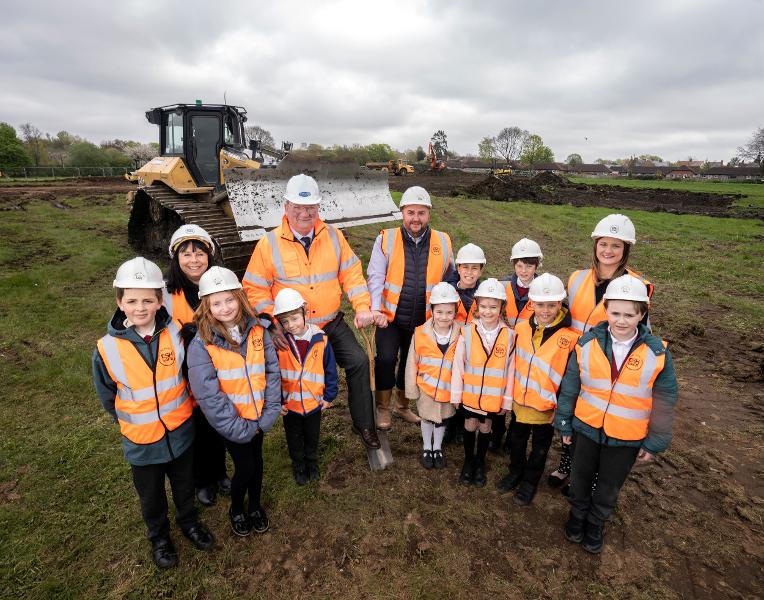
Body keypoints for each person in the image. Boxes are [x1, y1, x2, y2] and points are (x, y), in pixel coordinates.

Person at [242, 174, 381, 449]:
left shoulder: (333, 235)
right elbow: (254, 289)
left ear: (318, 208)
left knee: (359, 362)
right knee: (288, 373)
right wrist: (272, 322)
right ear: (286, 207)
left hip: (329, 322)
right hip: (291, 328)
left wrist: (362, 307)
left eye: (311, 208)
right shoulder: (268, 244)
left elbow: (352, 273)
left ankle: (364, 424)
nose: (305, 214)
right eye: (298, 207)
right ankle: (295, 424)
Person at [93, 257, 214, 569]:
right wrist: (130, 420)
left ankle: (188, 522)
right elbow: (108, 395)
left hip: (181, 431)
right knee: (151, 496)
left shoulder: (175, 332)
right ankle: (159, 537)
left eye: (148, 300)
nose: (140, 307)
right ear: (120, 302)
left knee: (184, 484)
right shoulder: (106, 348)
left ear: (161, 301)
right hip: (142, 442)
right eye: (132, 300)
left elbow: (189, 373)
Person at [554, 274, 677, 553]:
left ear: (642, 314)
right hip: (586, 428)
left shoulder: (657, 353)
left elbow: (665, 398)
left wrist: (655, 440)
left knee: (609, 485)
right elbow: (571, 384)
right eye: (615, 313)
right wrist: (564, 422)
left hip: (626, 438)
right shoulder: (586, 344)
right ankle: (577, 515)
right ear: (605, 310)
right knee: (580, 477)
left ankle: (596, 523)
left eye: (629, 315)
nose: (621, 321)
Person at [549, 214, 654, 489]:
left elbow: (643, 330)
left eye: (616, 246)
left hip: (607, 366)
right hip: (573, 360)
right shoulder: (576, 278)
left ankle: (589, 477)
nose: (608, 251)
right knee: (569, 413)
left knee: (595, 422)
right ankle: (566, 464)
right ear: (595, 245)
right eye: (603, 244)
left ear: (626, 250)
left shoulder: (637, 285)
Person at [188, 267, 281, 537]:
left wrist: (268, 413)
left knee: (258, 462)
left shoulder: (257, 332)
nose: (225, 307)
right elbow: (209, 396)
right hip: (233, 423)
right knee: (245, 466)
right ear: (206, 306)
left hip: (259, 417)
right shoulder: (202, 345)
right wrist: (240, 427)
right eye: (216, 303)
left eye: (229, 299)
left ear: (240, 299)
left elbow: (272, 371)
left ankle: (254, 506)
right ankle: (237, 509)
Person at [367, 186, 454, 431]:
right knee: (384, 360)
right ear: (402, 212)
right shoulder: (386, 238)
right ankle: (383, 408)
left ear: (429, 214)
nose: (416, 218)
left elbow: (450, 278)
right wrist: (375, 309)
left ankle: (402, 406)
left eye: (421, 213)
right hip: (389, 318)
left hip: (423, 320)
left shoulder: (443, 241)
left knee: (409, 363)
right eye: (411, 212)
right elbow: (375, 276)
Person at [496, 274, 579, 505]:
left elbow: (570, 380)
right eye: (540, 305)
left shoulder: (570, 338)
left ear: (560, 304)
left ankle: (530, 481)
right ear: (532, 303)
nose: (545, 310)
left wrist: (561, 409)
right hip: (520, 403)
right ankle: (515, 471)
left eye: (551, 305)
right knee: (518, 440)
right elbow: (512, 364)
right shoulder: (521, 329)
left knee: (540, 447)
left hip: (546, 408)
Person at [163, 224, 230, 508]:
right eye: (186, 254)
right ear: (175, 257)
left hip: (217, 369)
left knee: (217, 424)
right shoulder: (166, 293)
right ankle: (202, 480)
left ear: (209, 255)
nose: (194, 260)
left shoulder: (218, 285)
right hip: (183, 374)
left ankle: (220, 473)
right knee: (196, 431)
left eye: (200, 253)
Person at [450, 278, 515, 488]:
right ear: (477, 306)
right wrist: (456, 395)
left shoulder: (510, 336)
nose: (488, 311)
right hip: (470, 395)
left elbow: (511, 370)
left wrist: (507, 401)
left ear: (502, 308)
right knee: (470, 425)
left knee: (486, 427)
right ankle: (468, 461)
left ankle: (480, 461)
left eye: (493, 307)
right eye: (484, 306)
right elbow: (458, 365)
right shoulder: (467, 332)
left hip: (493, 398)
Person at [273, 288, 338, 485]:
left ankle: (312, 463)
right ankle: (299, 467)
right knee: (294, 438)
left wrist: (329, 395)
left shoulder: (321, 340)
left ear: (305, 313)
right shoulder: (280, 344)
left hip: (313, 402)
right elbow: (274, 375)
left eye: (294, 318)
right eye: (285, 321)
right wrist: (278, 401)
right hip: (290, 405)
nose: (290, 325)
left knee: (312, 436)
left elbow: (330, 369)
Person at [491, 238, 544, 453]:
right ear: (513, 265)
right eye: (520, 265)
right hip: (501, 351)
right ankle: (496, 434)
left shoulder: (543, 291)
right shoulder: (502, 287)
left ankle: (512, 439)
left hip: (526, 355)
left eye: (529, 266)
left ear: (537, 266)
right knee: (498, 394)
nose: (524, 271)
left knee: (518, 398)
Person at [404, 282, 461, 469]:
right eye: (439, 312)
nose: (444, 317)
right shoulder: (420, 333)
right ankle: (427, 447)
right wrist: (411, 390)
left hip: (448, 389)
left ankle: (437, 447)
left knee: (443, 419)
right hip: (427, 388)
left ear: (455, 312)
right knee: (427, 418)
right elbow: (412, 363)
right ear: (432, 311)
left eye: (449, 312)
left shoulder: (462, 334)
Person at [442, 243, 486, 445]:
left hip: (473, 352)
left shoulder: (485, 294)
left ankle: (460, 425)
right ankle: (448, 424)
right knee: (449, 385)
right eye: (465, 267)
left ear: (481, 270)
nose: (469, 272)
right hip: (449, 349)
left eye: (475, 268)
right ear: (458, 268)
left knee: (466, 387)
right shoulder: (447, 291)